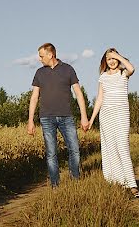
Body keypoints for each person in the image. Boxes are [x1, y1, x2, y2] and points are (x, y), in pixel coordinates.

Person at [27, 42, 90, 187]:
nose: (39, 59)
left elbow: (79, 94)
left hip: (66, 117)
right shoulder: (39, 73)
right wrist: (30, 120)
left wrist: (84, 116)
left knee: (74, 150)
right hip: (46, 118)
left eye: (41, 56)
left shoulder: (68, 70)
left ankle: (75, 181)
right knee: (51, 153)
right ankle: (55, 185)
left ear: (51, 55)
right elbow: (34, 97)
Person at [87, 48, 139, 197]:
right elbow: (99, 99)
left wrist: (117, 55)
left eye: (113, 58)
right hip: (106, 115)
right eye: (108, 59)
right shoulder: (103, 77)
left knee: (122, 147)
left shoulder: (124, 73)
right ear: (105, 61)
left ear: (118, 59)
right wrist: (92, 120)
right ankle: (118, 183)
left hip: (122, 114)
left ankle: (132, 185)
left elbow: (132, 68)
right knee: (110, 149)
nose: (111, 61)